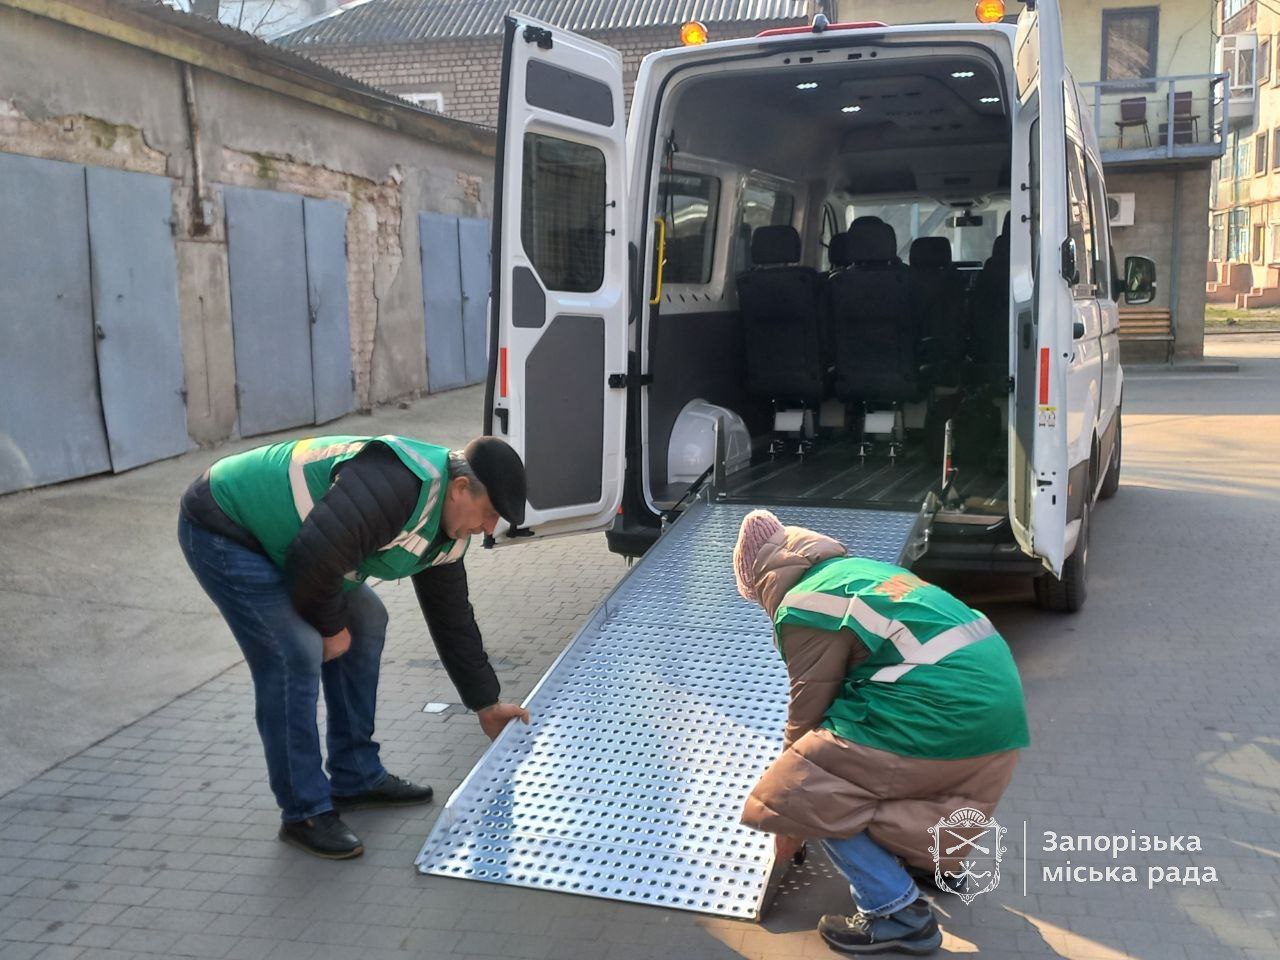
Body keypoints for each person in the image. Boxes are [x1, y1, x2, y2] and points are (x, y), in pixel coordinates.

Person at [178, 433, 532, 859]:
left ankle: (356, 775)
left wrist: (485, 703)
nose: (489, 528)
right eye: (490, 512)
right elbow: (314, 557)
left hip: (300, 545)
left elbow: (452, 617)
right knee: (296, 651)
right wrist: (329, 630)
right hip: (227, 525)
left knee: (366, 620)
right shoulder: (396, 485)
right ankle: (304, 813)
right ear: (460, 489)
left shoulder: (452, 531)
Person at [732, 510, 1029, 956]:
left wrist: (792, 812)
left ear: (760, 581)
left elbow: (808, 710)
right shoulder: (855, 573)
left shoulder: (803, 605)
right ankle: (927, 863)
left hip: (940, 710)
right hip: (997, 706)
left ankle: (896, 912)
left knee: (808, 786)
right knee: (878, 759)